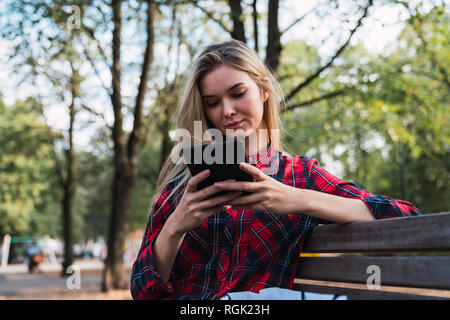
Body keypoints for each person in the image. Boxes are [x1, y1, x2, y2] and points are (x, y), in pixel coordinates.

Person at [130, 40, 422, 300]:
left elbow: (405, 217)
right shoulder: (184, 183)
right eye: (213, 102)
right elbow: (143, 292)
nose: (227, 110)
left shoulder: (299, 175)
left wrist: (297, 199)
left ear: (264, 89)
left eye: (238, 93)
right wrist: (175, 226)